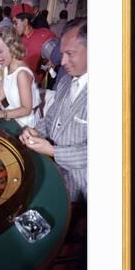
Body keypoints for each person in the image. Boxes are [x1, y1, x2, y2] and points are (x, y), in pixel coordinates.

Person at [19, 18, 87, 202]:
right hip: (54, 168)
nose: (63, 61)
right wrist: (35, 131)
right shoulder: (65, 80)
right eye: (62, 53)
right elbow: (50, 118)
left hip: (81, 185)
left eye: (70, 54)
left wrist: (53, 151)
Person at [0, 27, 40, 128]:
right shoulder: (7, 68)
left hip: (26, 126)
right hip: (13, 119)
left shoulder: (22, 74)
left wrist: (1, 113)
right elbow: (0, 94)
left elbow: (26, 109)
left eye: (0, 51)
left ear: (13, 49)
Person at [11, 2, 56, 83]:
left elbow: (58, 55)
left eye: (15, 23)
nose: (14, 26)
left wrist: (52, 61)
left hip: (36, 85)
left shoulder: (44, 35)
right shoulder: (15, 39)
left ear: (25, 21)